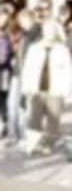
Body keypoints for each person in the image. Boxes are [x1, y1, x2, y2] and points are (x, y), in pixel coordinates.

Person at [21, 20, 72, 154]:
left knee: (53, 120)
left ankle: (48, 144)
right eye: (46, 30)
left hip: (55, 89)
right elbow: (27, 69)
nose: (49, 33)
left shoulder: (62, 50)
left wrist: (67, 91)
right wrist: (26, 87)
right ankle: (34, 143)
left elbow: (68, 71)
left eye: (51, 31)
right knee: (34, 118)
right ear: (43, 32)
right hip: (36, 89)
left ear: (55, 32)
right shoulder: (34, 48)